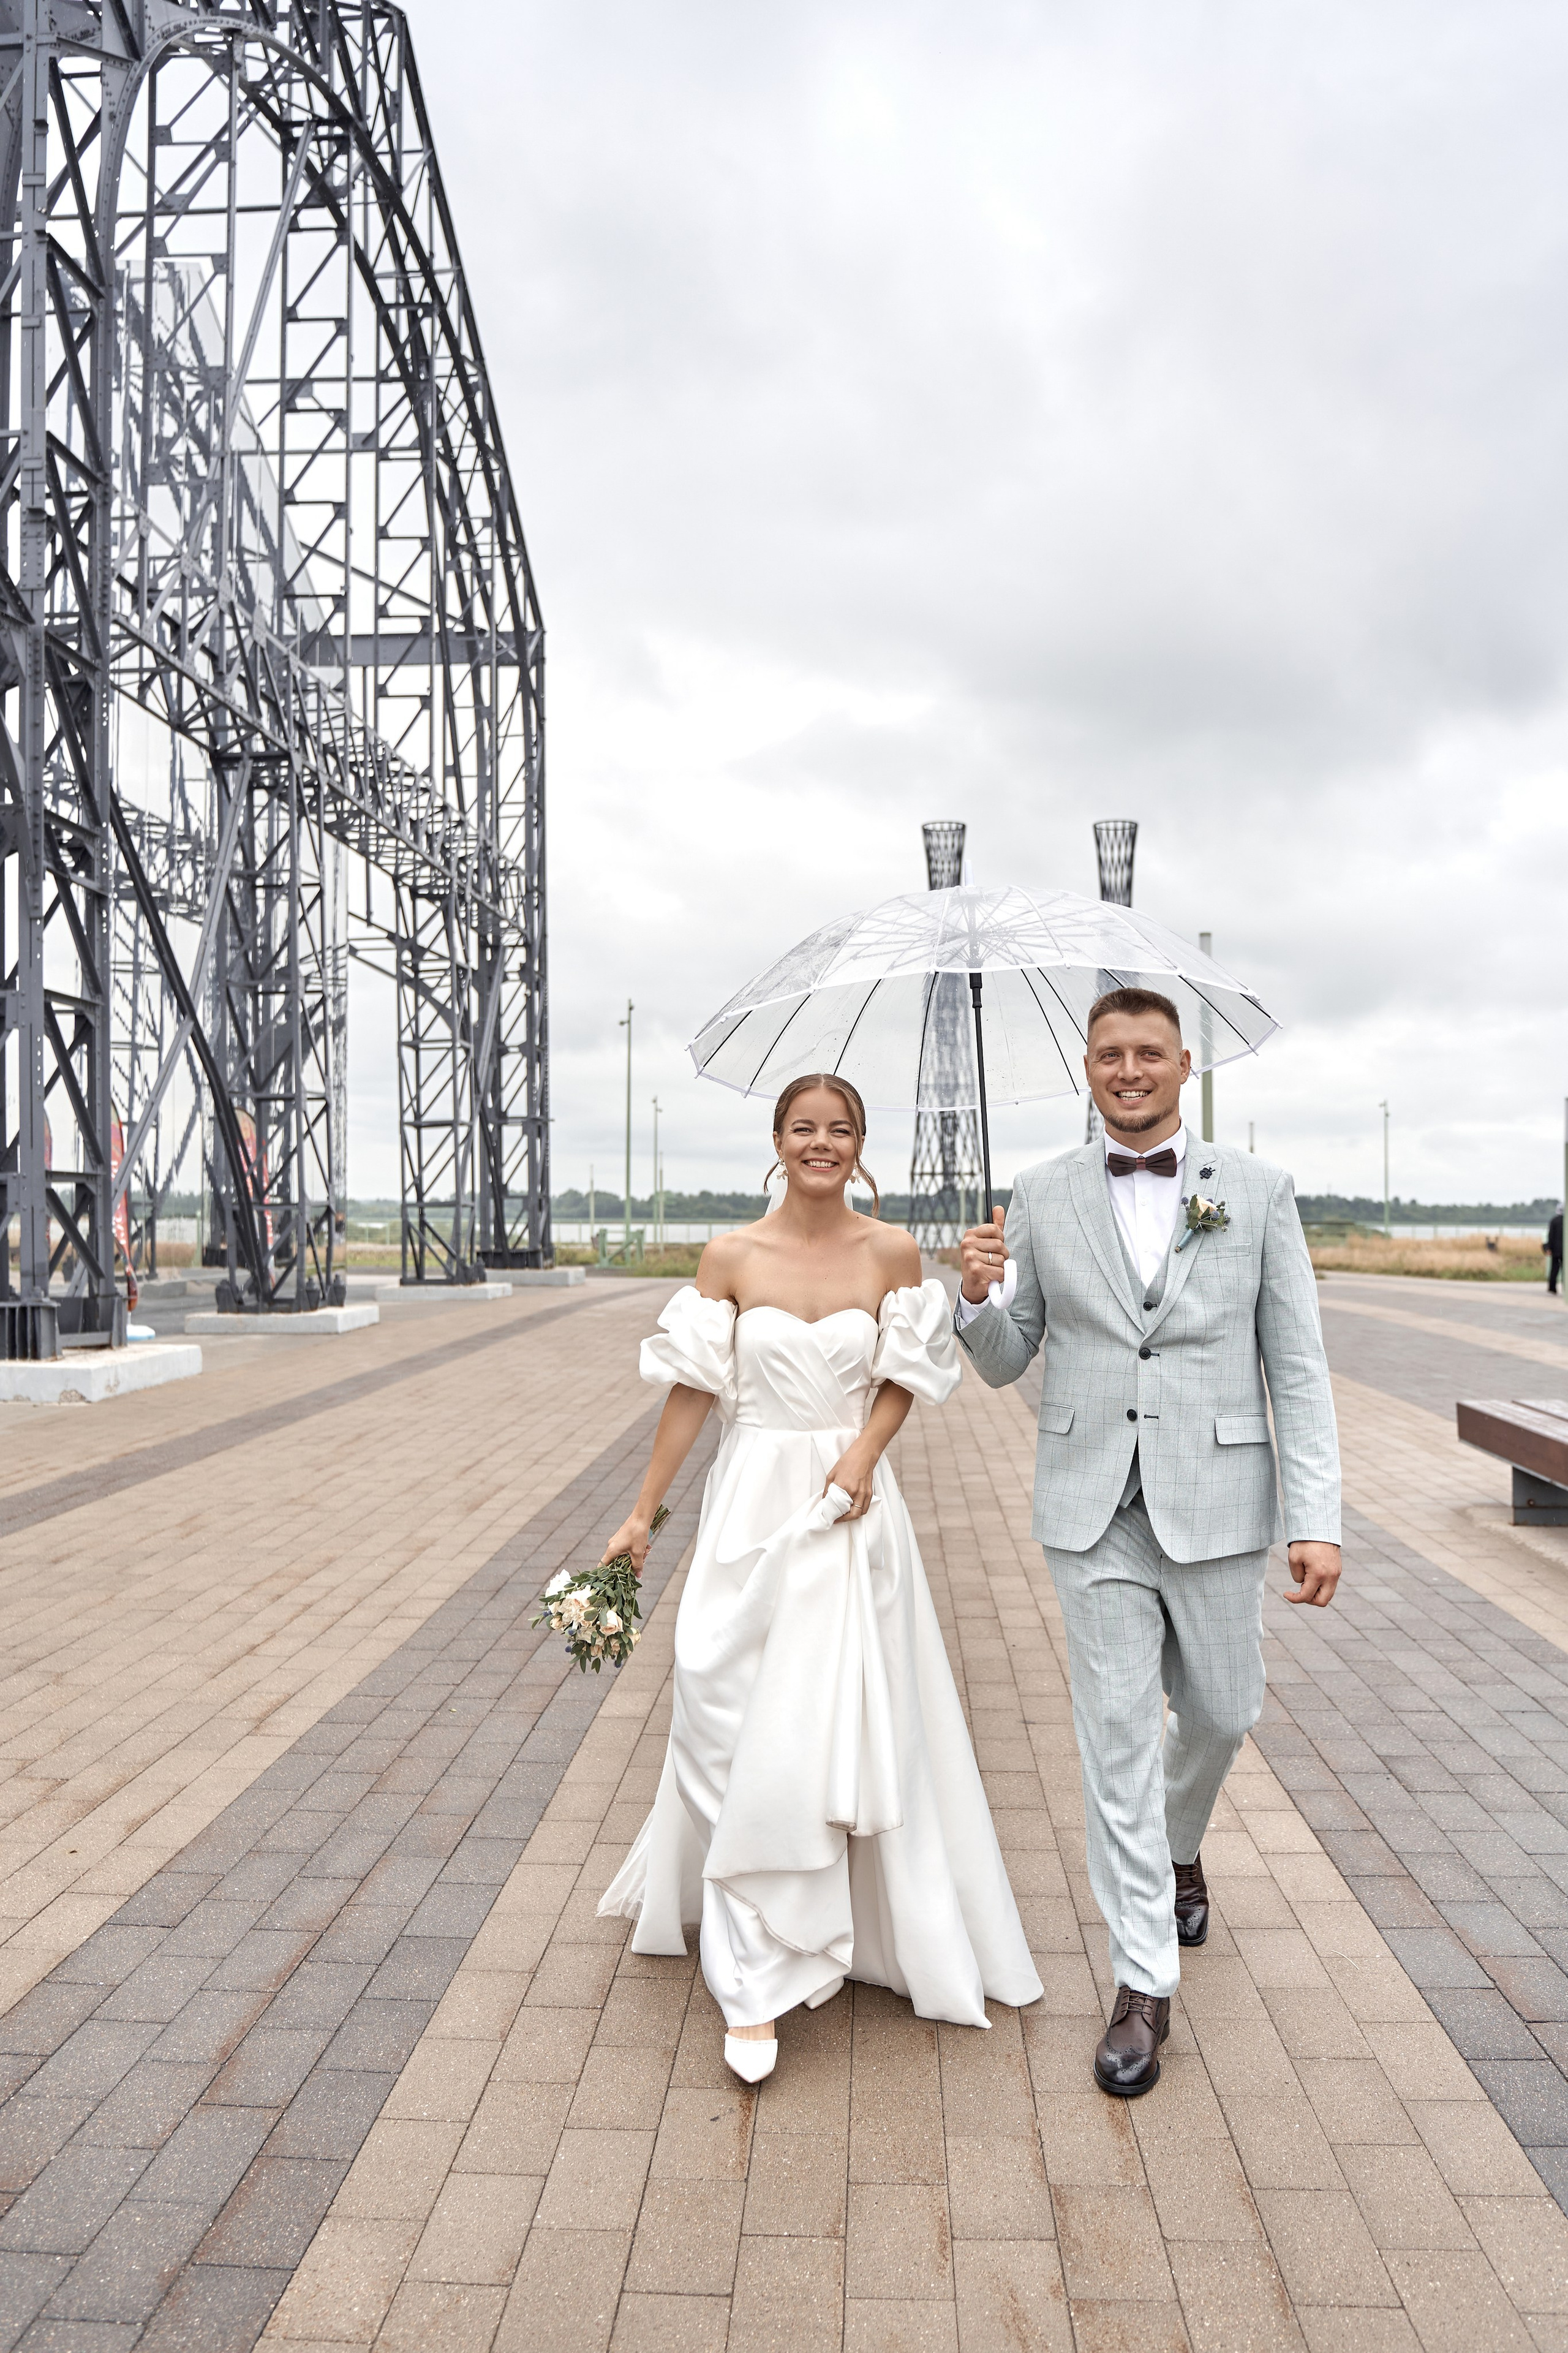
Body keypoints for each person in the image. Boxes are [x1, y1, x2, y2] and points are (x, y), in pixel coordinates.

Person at [597, 1074, 1042, 2083]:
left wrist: (866, 1452)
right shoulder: (729, 1256)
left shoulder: (889, 1251)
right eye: (805, 1128)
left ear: (860, 1144)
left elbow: (907, 1375)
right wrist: (640, 1514)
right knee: (721, 1701)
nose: (822, 1143)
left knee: (825, 1722)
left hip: (848, 1509)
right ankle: (753, 1914)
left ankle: (756, 1981)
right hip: (748, 1501)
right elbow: (691, 1392)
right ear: (777, 1139)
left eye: (840, 1130)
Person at [955, 987, 1341, 2098]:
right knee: (1115, 1737)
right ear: (1087, 1068)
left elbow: (1298, 1368)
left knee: (1225, 1711)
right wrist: (975, 1295)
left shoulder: (1258, 1194)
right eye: (1109, 1054)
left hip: (1218, 1500)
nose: (1129, 1070)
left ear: (1183, 1067)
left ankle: (1181, 1844)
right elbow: (1002, 1358)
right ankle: (1140, 1981)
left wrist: (1316, 1519)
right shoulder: (1037, 1194)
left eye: (1149, 1054)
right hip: (1092, 1509)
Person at [1547, 1205, 1563, 1296]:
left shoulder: (1554, 1221)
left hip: (1556, 1251)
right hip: (1565, 1251)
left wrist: (1549, 1248)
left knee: (1554, 1269)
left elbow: (1551, 1236)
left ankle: (1552, 1288)